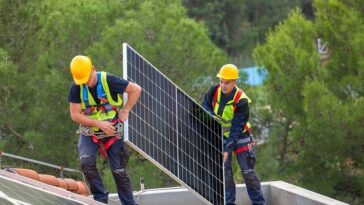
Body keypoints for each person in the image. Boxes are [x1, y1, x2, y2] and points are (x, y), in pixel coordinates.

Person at [68, 55, 141, 205]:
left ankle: (129, 203)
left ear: (93, 69)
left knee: (118, 170)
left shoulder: (108, 80)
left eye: (87, 78)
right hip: (90, 131)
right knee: (86, 162)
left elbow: (136, 90)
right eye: (82, 81)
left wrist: (125, 110)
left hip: (112, 130)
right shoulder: (76, 86)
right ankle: (100, 199)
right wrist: (98, 123)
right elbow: (75, 115)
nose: (86, 83)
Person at [202, 64, 265, 205]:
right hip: (222, 136)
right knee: (226, 174)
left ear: (235, 82)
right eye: (221, 81)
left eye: (227, 82)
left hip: (241, 136)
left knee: (248, 173)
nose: (223, 85)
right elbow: (205, 105)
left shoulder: (241, 100)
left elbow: (237, 127)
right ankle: (229, 203)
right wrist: (211, 116)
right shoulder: (214, 90)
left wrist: (228, 149)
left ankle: (259, 203)